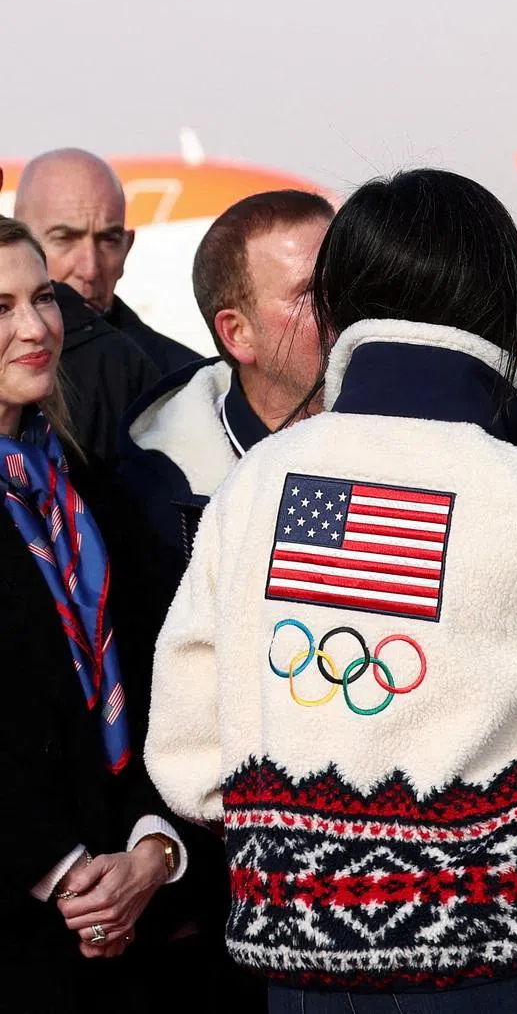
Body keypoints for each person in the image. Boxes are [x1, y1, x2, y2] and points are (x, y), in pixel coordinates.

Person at [144, 168, 517, 1013]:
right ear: (500, 306)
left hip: (301, 970)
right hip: (506, 963)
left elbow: (187, 752)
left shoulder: (260, 487)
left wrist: (300, 841)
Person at [115, 188, 333, 1014]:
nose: (345, 312)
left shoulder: (412, 450)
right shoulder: (152, 482)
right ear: (234, 332)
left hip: (381, 900)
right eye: (311, 295)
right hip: (212, 905)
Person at [0, 217, 186, 1014]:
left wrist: (149, 849)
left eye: (41, 298)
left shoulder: (91, 492)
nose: (36, 327)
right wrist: (64, 870)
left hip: (127, 931)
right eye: (0, 307)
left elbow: (156, 680)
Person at [120, 189, 334, 590]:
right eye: (309, 293)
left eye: (347, 281)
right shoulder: (154, 503)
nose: (341, 304)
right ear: (238, 334)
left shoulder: (417, 443)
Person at [15, 148, 200, 372]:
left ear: (127, 248)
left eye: (108, 241)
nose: (90, 269)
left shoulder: (182, 386)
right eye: (65, 239)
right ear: (19, 245)